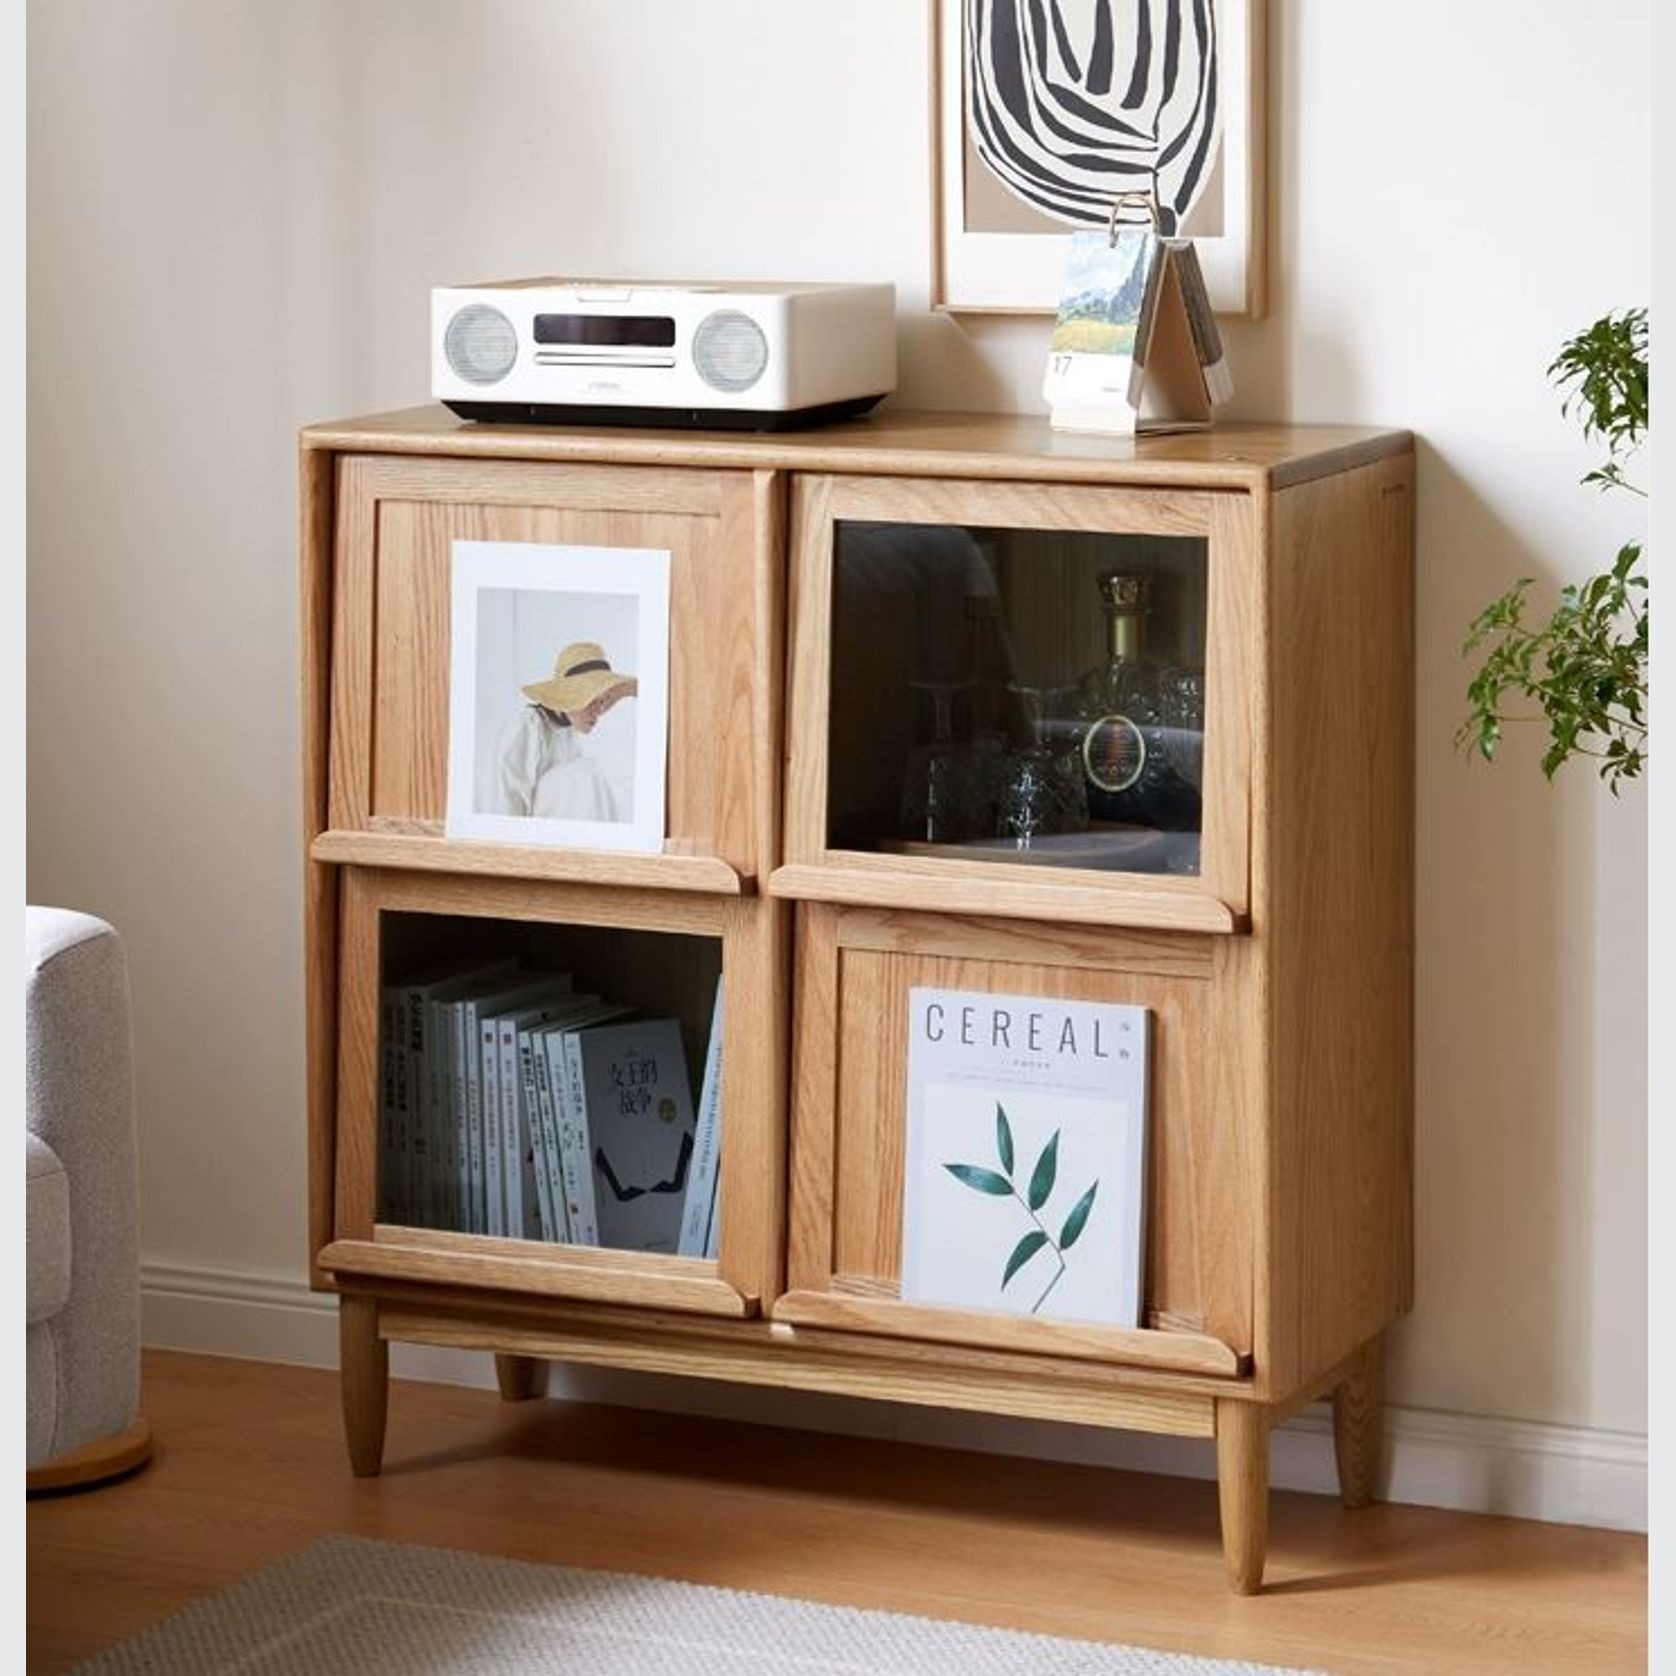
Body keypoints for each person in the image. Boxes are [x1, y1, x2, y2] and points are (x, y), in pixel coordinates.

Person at [484, 641, 637, 821]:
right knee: (586, 773)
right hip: (521, 834)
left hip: (557, 830)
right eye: (591, 701)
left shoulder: (568, 735)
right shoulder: (526, 726)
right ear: (568, 697)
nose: (598, 712)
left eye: (602, 701)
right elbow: (502, 800)